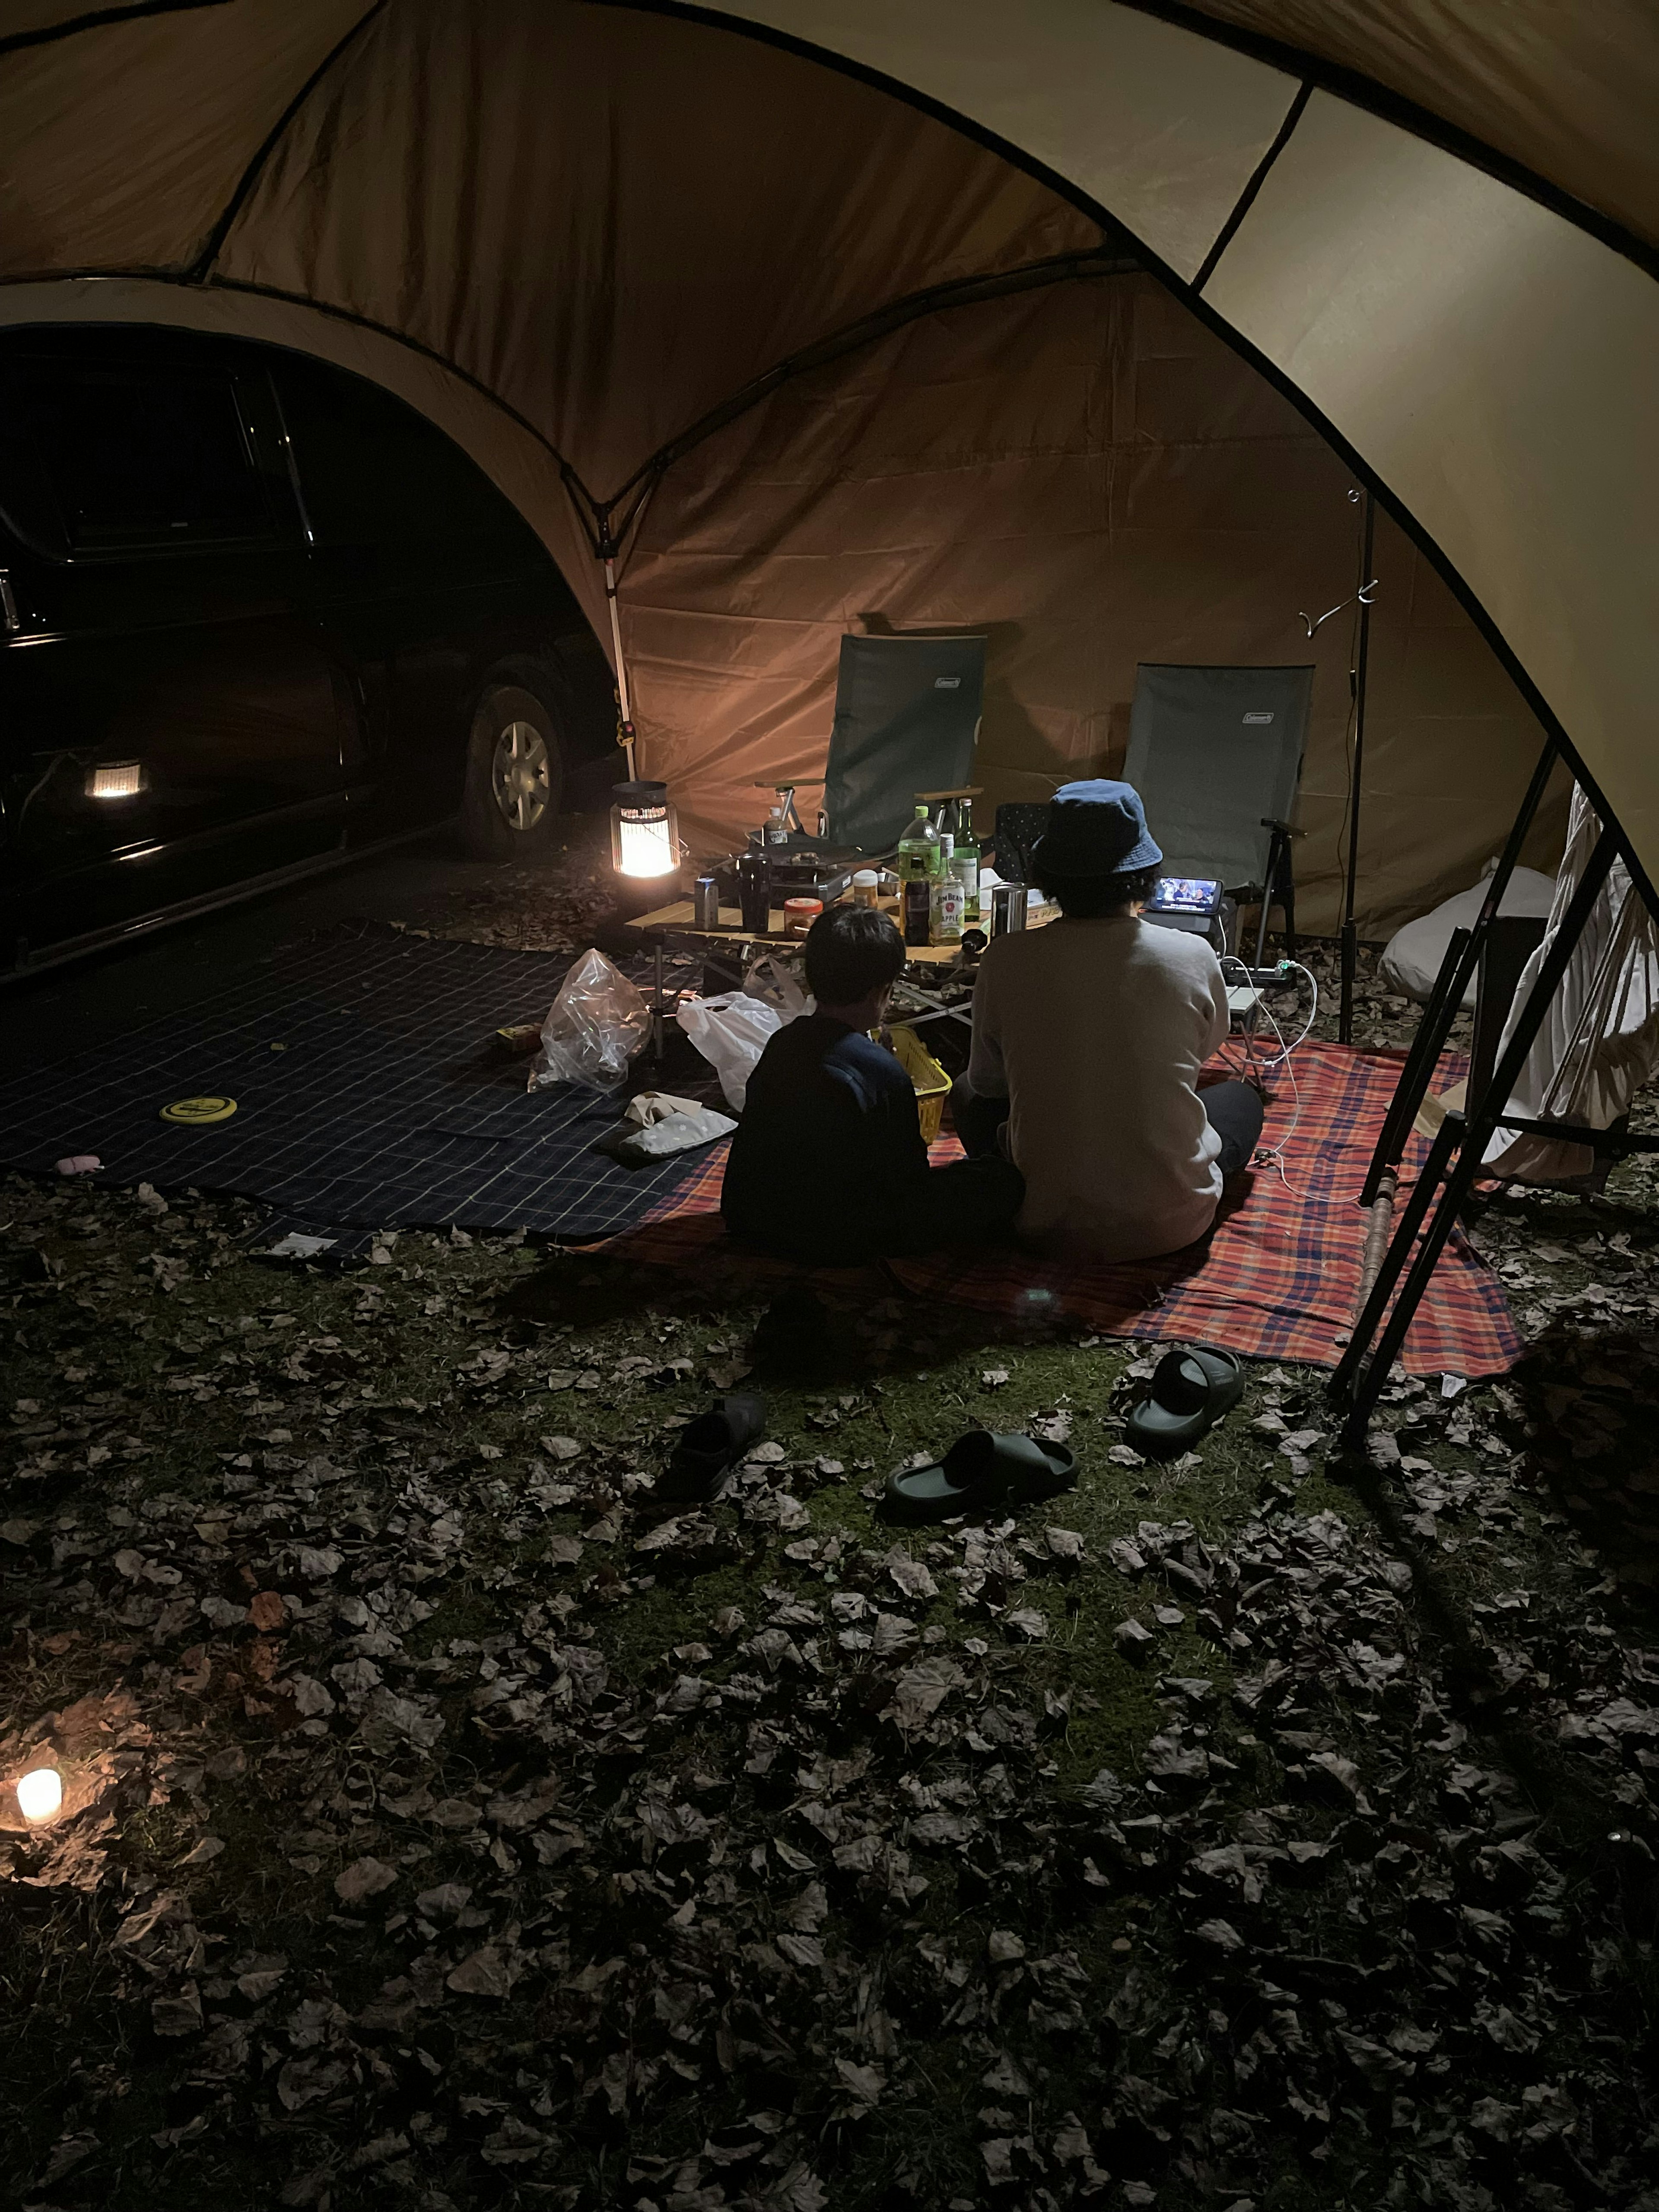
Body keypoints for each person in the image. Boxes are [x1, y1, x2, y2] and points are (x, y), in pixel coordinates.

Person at [952, 779, 1263, 1263]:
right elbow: (1204, 1048)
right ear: (1144, 873)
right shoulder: (1191, 954)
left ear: (1049, 873)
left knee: (966, 1093)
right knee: (1240, 1098)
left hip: (1042, 1223)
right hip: (1172, 1223)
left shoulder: (1005, 958)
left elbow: (991, 1083)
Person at [721, 904, 1024, 1265]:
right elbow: (908, 1181)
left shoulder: (783, 1042)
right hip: (844, 1238)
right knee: (1000, 1180)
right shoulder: (883, 1071)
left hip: (753, 1220)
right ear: (881, 992)